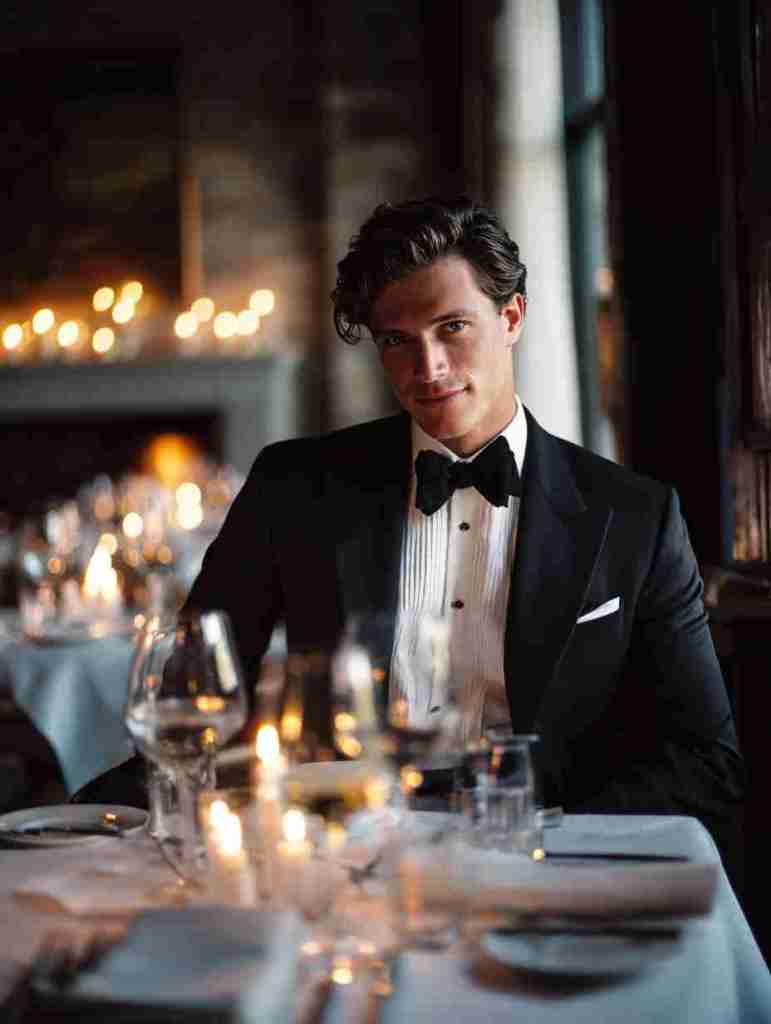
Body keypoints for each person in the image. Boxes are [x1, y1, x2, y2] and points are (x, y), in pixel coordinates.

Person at [82, 197, 744, 876]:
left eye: (452, 327)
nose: (425, 368)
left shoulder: (633, 514)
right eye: (396, 340)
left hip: (546, 862)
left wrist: (530, 835)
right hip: (340, 856)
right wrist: (74, 826)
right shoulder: (295, 484)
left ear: (510, 316)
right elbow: (192, 693)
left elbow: (705, 761)